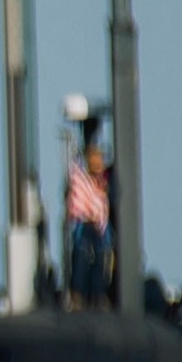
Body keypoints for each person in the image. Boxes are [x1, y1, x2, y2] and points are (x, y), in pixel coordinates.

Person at [63, 97, 115, 308]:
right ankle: (78, 295)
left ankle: (99, 294)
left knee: (103, 255)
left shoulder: (104, 180)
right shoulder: (79, 175)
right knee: (83, 253)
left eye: (99, 158)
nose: (97, 161)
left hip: (100, 227)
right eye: (93, 157)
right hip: (83, 223)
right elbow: (74, 159)